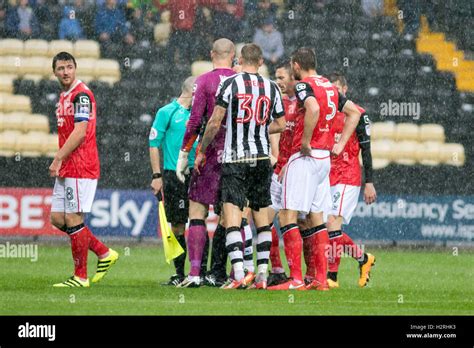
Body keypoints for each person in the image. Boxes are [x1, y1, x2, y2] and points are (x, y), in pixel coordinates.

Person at [194, 43, 286, 290]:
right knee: (262, 217)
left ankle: (238, 274)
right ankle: (263, 276)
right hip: (261, 159)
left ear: (240, 60)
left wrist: (202, 151)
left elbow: (214, 122)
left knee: (232, 215)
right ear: (261, 62)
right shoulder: (272, 87)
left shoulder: (230, 84)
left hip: (235, 158)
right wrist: (258, 129)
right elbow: (282, 123)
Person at [269, 47, 361, 291]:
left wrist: (306, 141)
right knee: (316, 218)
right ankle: (320, 279)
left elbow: (313, 108)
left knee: (287, 215)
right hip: (325, 160)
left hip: (305, 157)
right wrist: (340, 144)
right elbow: (354, 113)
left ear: (296, 66)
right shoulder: (330, 86)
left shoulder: (304, 86)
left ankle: (296, 279)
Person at [49, 52, 119, 288]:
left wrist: (58, 158)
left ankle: (80, 276)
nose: (65, 72)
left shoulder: (81, 95)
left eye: (69, 67)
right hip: (68, 165)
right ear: (54, 72)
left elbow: (80, 132)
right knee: (59, 219)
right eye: (61, 68)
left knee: (73, 218)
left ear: (75, 68)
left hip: (81, 164)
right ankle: (103, 252)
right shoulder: (64, 95)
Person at [175, 38, 237, 288]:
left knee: (197, 212)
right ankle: (226, 273)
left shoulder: (203, 81)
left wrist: (184, 153)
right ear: (233, 55)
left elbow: (195, 122)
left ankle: (195, 273)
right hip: (237, 155)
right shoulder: (242, 81)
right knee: (231, 216)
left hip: (209, 154)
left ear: (212, 54)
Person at [326, 72, 377, 289]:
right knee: (327, 228)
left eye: (338, 89)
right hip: (326, 175)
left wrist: (370, 182)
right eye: (332, 89)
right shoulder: (326, 112)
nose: (335, 93)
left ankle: (332, 277)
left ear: (345, 90)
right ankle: (363, 259)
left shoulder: (359, 114)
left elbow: (366, 150)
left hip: (347, 176)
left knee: (332, 224)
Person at [149, 76, 200, 287]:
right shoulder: (166, 112)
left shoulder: (201, 114)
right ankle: (180, 273)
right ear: (192, 91)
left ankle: (200, 272)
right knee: (178, 224)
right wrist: (156, 176)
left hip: (198, 173)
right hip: (173, 175)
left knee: (199, 221)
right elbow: (153, 144)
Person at [267, 61, 298, 286]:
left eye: (282, 78)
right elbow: (275, 133)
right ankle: (277, 269)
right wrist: (276, 157)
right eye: (275, 78)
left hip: (297, 169)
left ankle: (308, 275)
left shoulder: (302, 105)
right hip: (279, 168)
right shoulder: (277, 102)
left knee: (302, 224)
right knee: (265, 221)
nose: (278, 82)